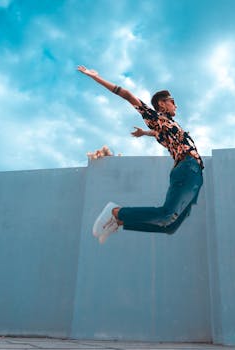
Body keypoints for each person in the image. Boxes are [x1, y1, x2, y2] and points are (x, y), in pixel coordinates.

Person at [77, 65, 204, 244]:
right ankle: (116, 212)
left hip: (196, 176)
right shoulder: (156, 117)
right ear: (162, 103)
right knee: (166, 213)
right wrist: (95, 77)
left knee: (169, 225)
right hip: (187, 168)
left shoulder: (166, 127)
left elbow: (159, 134)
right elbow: (128, 95)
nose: (176, 105)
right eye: (172, 101)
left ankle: (121, 221)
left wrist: (144, 133)